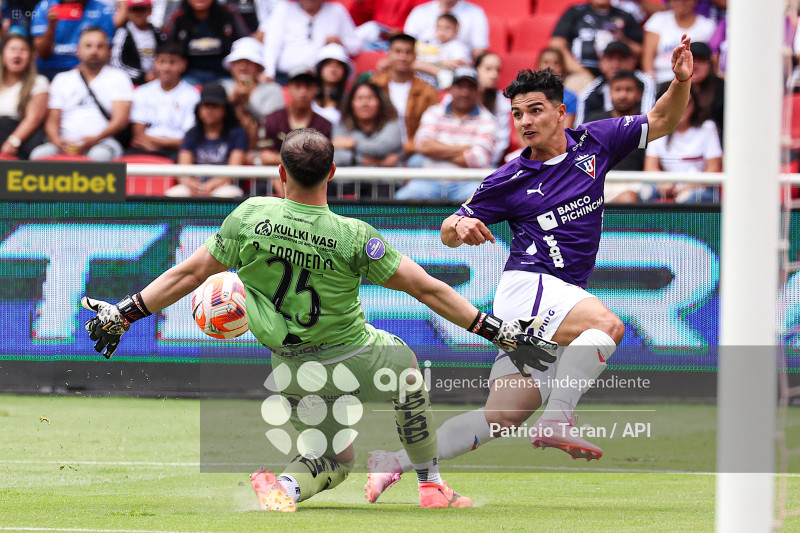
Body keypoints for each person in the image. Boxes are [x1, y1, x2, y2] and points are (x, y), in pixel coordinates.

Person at [80, 127, 555, 511]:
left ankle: (285, 486)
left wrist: (125, 312)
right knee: (408, 372)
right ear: (332, 172)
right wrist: (495, 330)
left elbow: (188, 274)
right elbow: (427, 288)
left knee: (332, 458)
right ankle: (431, 485)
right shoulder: (353, 236)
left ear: (280, 173)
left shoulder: (249, 216)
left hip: (291, 368)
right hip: (355, 355)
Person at [365, 35, 696, 501]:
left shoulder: (597, 141)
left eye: (535, 110)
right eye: (517, 113)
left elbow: (662, 119)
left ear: (562, 113)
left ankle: (393, 463)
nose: (525, 121)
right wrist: (458, 226)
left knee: (501, 417)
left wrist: (680, 81)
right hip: (530, 288)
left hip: (553, 298)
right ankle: (558, 419)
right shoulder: (509, 178)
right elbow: (448, 229)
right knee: (606, 325)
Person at [394, 66, 497, 202]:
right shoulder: (434, 112)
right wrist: (463, 148)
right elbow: (423, 146)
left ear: (477, 91)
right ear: (451, 89)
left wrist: (436, 151)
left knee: (483, 201)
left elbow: (478, 158)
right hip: (430, 180)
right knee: (401, 199)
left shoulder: (488, 119)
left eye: (470, 87)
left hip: (468, 183)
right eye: (460, 86)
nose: (465, 92)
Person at [30, 27, 134, 161]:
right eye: (88, 46)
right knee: (38, 155)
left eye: (100, 46)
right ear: (78, 50)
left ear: (108, 51)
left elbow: (120, 121)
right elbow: (51, 121)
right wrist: (57, 141)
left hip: (103, 142)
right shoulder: (62, 79)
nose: (94, 51)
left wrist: (94, 140)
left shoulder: (119, 77)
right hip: (66, 143)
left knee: (98, 156)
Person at [259, 66, 332, 196]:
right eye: (298, 86)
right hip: (274, 180)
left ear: (315, 89)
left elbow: (323, 161)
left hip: (313, 182)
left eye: (308, 87)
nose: (303, 92)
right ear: (288, 88)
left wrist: (280, 158)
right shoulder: (272, 119)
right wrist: (305, 158)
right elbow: (265, 157)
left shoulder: (324, 124)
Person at [165, 82, 246, 197]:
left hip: (224, 185)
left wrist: (212, 184)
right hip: (195, 185)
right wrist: (190, 183)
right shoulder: (192, 134)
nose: (209, 110)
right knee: (174, 194)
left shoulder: (237, 134)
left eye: (215, 106)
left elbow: (234, 168)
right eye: (206, 106)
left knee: (225, 195)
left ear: (225, 110)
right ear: (199, 109)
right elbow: (183, 168)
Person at [368, 33, 439, 163]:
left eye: (408, 52)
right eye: (398, 51)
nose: (403, 57)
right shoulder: (374, 85)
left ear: (415, 56)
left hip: (412, 152)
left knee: (419, 163)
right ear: (388, 54)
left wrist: (403, 151)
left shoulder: (427, 91)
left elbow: (431, 128)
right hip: (376, 148)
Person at [642, 92, 721, 203]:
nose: (681, 108)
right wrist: (664, 182)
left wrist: (689, 186)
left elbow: (713, 170)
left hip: (699, 187)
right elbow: (650, 168)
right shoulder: (657, 128)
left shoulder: (707, 127)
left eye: (687, 103)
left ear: (694, 105)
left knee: (687, 198)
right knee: (645, 192)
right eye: (675, 104)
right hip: (668, 186)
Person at [549, 0, 643, 94]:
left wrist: (621, 38)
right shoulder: (575, 12)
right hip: (581, 74)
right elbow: (556, 44)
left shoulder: (624, 16)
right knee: (573, 87)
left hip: (617, 76)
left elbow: (639, 51)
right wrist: (581, 71)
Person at [127, 41, 200, 161]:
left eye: (172, 62)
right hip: (145, 148)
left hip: (178, 151)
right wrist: (163, 143)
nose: (166, 68)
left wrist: (160, 144)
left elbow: (188, 138)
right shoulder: (142, 92)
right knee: (123, 163)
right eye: (162, 62)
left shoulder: (192, 95)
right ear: (155, 63)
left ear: (183, 65)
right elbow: (138, 134)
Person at [260, 0, 360, 85]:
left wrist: (340, 42)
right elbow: (272, 44)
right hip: (285, 77)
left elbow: (355, 45)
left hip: (320, 81)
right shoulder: (284, 10)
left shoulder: (336, 11)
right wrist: (269, 72)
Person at [220, 36, 285, 165]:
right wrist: (232, 100)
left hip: (262, 150)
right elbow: (209, 118)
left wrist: (247, 104)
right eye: (238, 62)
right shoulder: (221, 87)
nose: (243, 67)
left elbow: (273, 125)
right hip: (223, 147)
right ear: (231, 66)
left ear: (259, 67)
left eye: (249, 62)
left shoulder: (272, 90)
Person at [585, 71, 647, 202]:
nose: (623, 95)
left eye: (629, 90)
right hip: (597, 182)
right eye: (618, 90)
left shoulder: (645, 124)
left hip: (632, 183)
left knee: (628, 199)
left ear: (639, 95)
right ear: (610, 93)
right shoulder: (594, 122)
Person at [163, 0, 249, 85]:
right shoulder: (179, 18)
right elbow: (167, 49)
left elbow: (245, 44)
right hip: (188, 77)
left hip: (224, 76)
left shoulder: (229, 15)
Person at [575, 40, 656, 127]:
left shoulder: (645, 83)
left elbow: (648, 121)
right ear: (601, 62)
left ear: (633, 61)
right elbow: (580, 129)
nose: (615, 65)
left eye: (621, 59)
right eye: (610, 59)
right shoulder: (589, 92)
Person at [30, 0, 116, 79]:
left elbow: (105, 53)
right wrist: (51, 26)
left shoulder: (103, 11)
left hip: (86, 70)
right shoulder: (45, 6)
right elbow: (42, 54)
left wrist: (70, 77)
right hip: (47, 69)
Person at [642, 0, 715, 85]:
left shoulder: (707, 26)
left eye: (685, 1)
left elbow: (709, 60)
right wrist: (651, 83)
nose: (681, 2)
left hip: (692, 81)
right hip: (660, 80)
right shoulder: (658, 20)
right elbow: (648, 57)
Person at [332, 79, 402, 167]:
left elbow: (382, 148)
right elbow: (337, 156)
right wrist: (378, 163)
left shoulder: (392, 125)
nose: (365, 103)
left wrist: (353, 144)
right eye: (359, 98)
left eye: (370, 98)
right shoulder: (341, 126)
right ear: (351, 103)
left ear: (380, 102)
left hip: (388, 176)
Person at [0, 35, 49, 159]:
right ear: (3, 55)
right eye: (12, 49)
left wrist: (13, 141)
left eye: (23, 50)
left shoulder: (39, 82)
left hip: (22, 139)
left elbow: (33, 119)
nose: (17, 54)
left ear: (31, 56)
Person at [403, 0, 488, 60]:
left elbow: (479, 50)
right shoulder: (420, 12)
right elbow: (406, 44)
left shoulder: (475, 13)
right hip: (421, 68)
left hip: (458, 69)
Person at [111, 0, 164, 85]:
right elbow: (116, 63)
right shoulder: (123, 33)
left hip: (157, 81)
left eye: (142, 9)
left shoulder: (157, 33)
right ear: (128, 12)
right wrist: (143, 76)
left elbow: (166, 54)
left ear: (150, 11)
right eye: (134, 9)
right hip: (132, 83)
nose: (138, 13)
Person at [413, 13, 470, 89]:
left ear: (456, 30)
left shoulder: (458, 46)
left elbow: (459, 63)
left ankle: (441, 75)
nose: (442, 31)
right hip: (425, 79)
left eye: (447, 28)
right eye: (439, 27)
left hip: (446, 79)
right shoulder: (430, 42)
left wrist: (436, 61)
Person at [313, 43, 353, 127]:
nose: (333, 69)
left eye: (338, 65)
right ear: (320, 68)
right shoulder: (308, 95)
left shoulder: (349, 101)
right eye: (328, 64)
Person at [536, 47, 578, 128]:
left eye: (556, 63)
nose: (551, 67)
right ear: (538, 66)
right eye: (546, 62)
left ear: (563, 68)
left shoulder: (570, 98)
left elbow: (566, 129)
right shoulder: (529, 96)